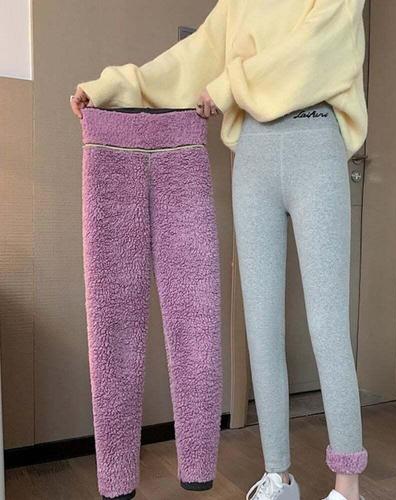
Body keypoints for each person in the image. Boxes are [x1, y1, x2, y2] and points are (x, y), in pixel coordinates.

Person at [71, 1, 369, 499]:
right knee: (260, 325)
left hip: (316, 143)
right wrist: (114, 86)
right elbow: (191, 56)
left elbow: (316, 48)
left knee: (327, 324)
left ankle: (348, 483)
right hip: (252, 152)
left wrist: (229, 86)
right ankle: (279, 476)